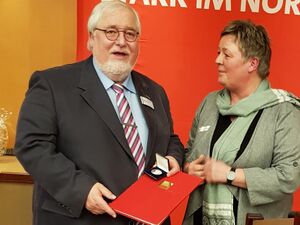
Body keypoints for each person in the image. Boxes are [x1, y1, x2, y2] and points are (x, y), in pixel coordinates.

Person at [14, 1, 184, 225]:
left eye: (130, 34)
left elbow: (169, 139)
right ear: (91, 38)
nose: (121, 42)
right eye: (111, 32)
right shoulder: (52, 85)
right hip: (82, 218)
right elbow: (32, 146)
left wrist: (173, 157)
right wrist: (81, 190)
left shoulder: (154, 91)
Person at [183, 20, 300, 225]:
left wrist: (229, 175)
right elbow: (189, 152)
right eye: (218, 52)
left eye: (226, 54)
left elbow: (288, 176)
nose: (217, 60)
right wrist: (188, 169)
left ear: (252, 64)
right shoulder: (209, 103)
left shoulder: (284, 110)